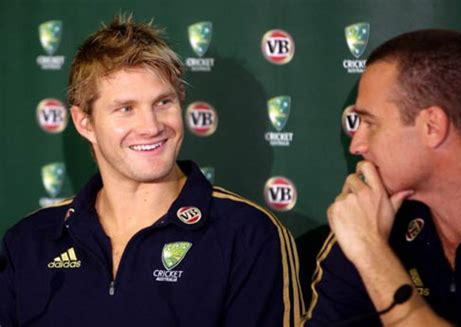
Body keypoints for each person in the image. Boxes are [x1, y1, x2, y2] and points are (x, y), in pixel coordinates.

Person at [0, 15, 302, 326]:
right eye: (126, 108)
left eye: (163, 103)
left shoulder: (248, 234)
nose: (151, 126)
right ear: (84, 122)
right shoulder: (30, 241)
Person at [303, 29, 461, 326]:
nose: (356, 145)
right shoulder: (371, 215)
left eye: (370, 123)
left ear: (432, 127)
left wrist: (371, 252)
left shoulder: (365, 235)